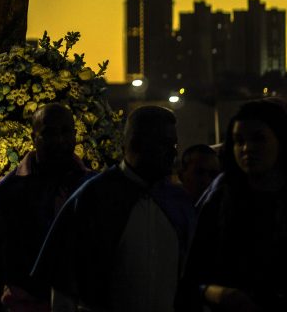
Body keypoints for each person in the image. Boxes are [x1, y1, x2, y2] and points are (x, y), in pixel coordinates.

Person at [179, 100, 287, 312]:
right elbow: (191, 279)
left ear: (281, 140)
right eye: (238, 140)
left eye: (258, 139)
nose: (247, 148)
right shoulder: (220, 199)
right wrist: (221, 294)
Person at [34, 105, 194, 312]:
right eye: (164, 144)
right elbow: (64, 282)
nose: (173, 154)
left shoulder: (177, 201)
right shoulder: (94, 197)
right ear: (136, 143)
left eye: (174, 145)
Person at [0, 103, 93, 311]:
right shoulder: (6, 192)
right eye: (49, 133)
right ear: (33, 137)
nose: (59, 140)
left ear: (75, 134)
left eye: (65, 132)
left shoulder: (92, 187)